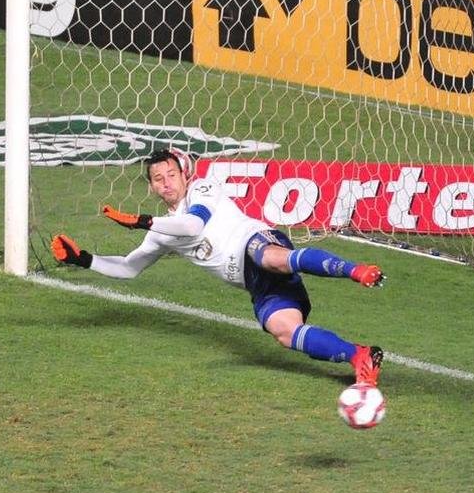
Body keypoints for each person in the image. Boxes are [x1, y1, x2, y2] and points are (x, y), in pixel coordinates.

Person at [50, 148, 384, 386]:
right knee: (284, 331)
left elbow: (194, 226)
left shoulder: (203, 189)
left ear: (184, 175)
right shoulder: (162, 232)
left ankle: (356, 271)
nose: (166, 182)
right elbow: (128, 268)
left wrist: (142, 221)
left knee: (268, 256)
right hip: (256, 283)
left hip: (257, 241)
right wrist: (83, 259)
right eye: (158, 178)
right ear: (151, 187)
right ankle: (360, 357)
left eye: (171, 174)